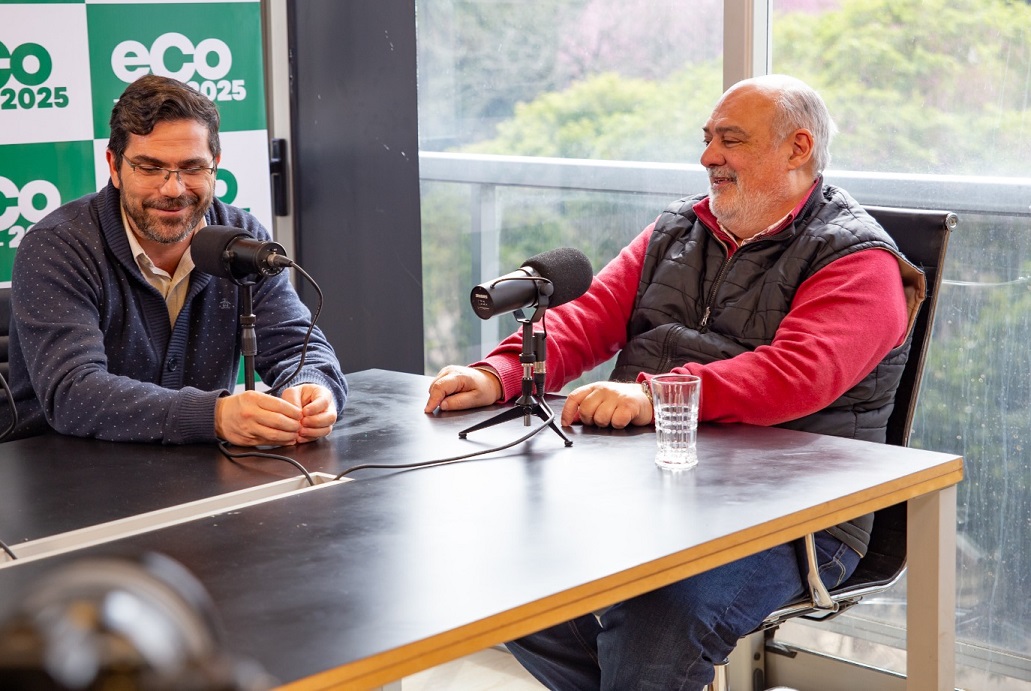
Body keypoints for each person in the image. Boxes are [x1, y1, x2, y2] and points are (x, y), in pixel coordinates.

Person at [424, 74, 925, 689]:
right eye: (707, 139)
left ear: (799, 148)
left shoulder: (860, 261)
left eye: (730, 140)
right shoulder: (677, 229)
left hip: (794, 513)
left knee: (658, 619)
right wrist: (497, 373)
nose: (708, 157)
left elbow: (797, 376)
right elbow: (588, 316)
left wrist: (654, 395)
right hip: (654, 486)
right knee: (505, 570)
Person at [5, 74, 347, 446]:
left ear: (215, 165)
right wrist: (214, 415)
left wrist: (313, 389)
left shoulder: (243, 238)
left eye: (192, 167)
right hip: (62, 467)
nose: (173, 188)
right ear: (114, 167)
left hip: (198, 467)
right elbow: (73, 392)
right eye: (150, 168)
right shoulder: (57, 247)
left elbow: (298, 348)